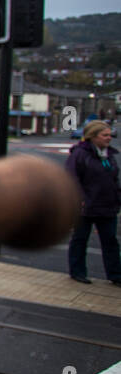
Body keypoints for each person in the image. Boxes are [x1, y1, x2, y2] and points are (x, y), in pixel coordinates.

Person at [64, 120, 121, 285]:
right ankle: (77, 271)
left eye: (110, 135)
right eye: (105, 135)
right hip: (86, 206)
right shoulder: (79, 155)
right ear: (93, 136)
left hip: (107, 205)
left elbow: (113, 179)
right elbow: (71, 178)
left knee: (110, 241)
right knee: (80, 239)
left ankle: (115, 274)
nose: (109, 138)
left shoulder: (109, 155)